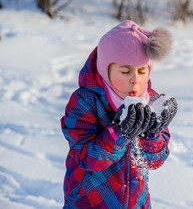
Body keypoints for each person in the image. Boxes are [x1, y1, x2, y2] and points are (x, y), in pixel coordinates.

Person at [60, 20, 177, 208]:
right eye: (125, 71)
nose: (135, 80)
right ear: (105, 70)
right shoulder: (85, 102)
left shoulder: (152, 102)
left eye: (142, 71)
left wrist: (152, 133)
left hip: (136, 203)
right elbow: (86, 159)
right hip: (88, 202)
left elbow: (154, 161)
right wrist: (119, 133)